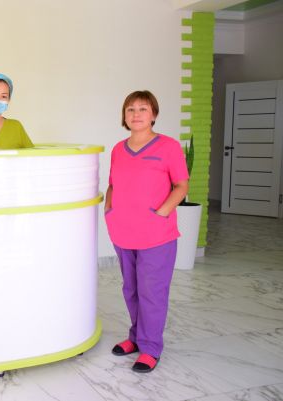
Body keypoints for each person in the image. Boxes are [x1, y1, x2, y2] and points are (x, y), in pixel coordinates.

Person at [104, 90, 189, 373]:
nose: (136, 114)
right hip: (123, 231)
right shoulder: (118, 149)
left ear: (154, 114)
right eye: (130, 109)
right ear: (124, 116)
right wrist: (109, 210)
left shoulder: (169, 147)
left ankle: (151, 347)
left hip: (157, 235)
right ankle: (136, 337)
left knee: (152, 292)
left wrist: (161, 213)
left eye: (143, 109)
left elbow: (181, 186)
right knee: (131, 289)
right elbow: (113, 184)